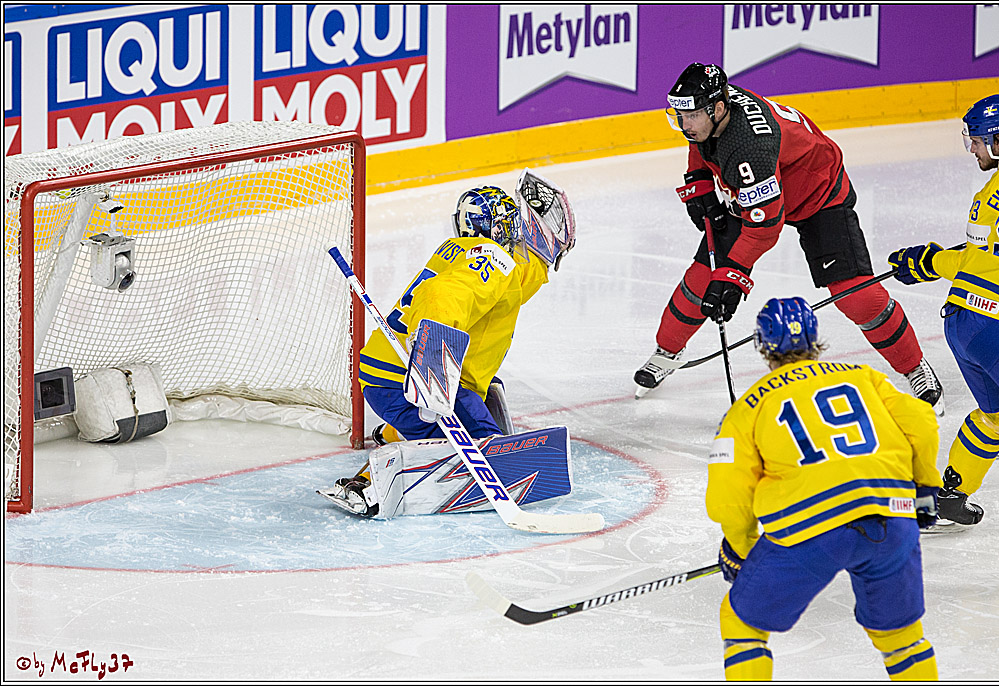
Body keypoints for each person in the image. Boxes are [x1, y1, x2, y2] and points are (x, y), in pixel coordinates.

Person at [634, 62, 944, 416]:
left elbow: (765, 228)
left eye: (689, 116)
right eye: (679, 115)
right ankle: (666, 350)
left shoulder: (749, 147)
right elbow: (701, 142)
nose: (684, 125)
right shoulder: (713, 115)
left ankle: (914, 366)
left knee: (857, 296)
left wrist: (733, 276)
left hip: (818, 194)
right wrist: (699, 179)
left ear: (718, 108)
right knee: (702, 278)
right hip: (764, 187)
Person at [706, 296, 942, 681]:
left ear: (762, 344)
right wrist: (924, 487)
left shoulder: (749, 406)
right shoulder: (863, 376)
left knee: (741, 624)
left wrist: (740, 546)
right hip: (890, 516)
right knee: (902, 639)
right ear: (816, 337)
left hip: (809, 529)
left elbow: (729, 491)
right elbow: (922, 421)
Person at [319, 174, 576, 516]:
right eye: (509, 222)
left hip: (388, 368)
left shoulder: (462, 251)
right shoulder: (494, 260)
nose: (515, 229)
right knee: (480, 431)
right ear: (497, 229)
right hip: (409, 375)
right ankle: (366, 485)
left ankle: (396, 430)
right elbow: (443, 296)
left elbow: (514, 283)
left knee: (486, 391)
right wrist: (432, 368)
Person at [887, 94, 999, 527]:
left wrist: (928, 262)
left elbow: (976, 259)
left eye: (977, 143)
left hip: (963, 323)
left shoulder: (992, 193)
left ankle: (944, 498)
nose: (974, 151)